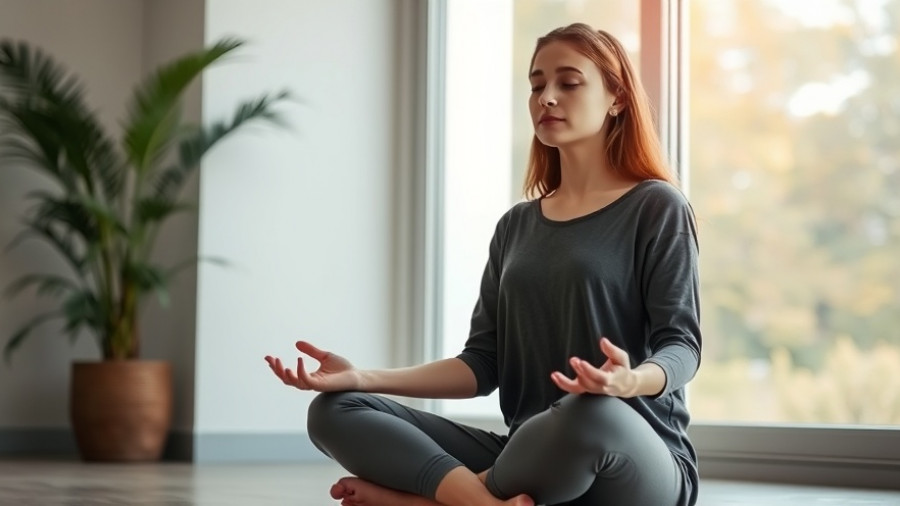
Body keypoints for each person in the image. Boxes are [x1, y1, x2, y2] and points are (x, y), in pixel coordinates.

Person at [265, 23, 701, 506]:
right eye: (536, 85)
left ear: (617, 97)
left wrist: (630, 381)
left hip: (631, 460)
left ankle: (433, 502)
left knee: (591, 412)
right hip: (527, 458)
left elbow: (682, 346)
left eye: (568, 83)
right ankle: (479, 501)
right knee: (333, 410)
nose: (546, 98)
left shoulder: (656, 206)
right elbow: (482, 364)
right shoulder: (516, 225)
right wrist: (360, 377)